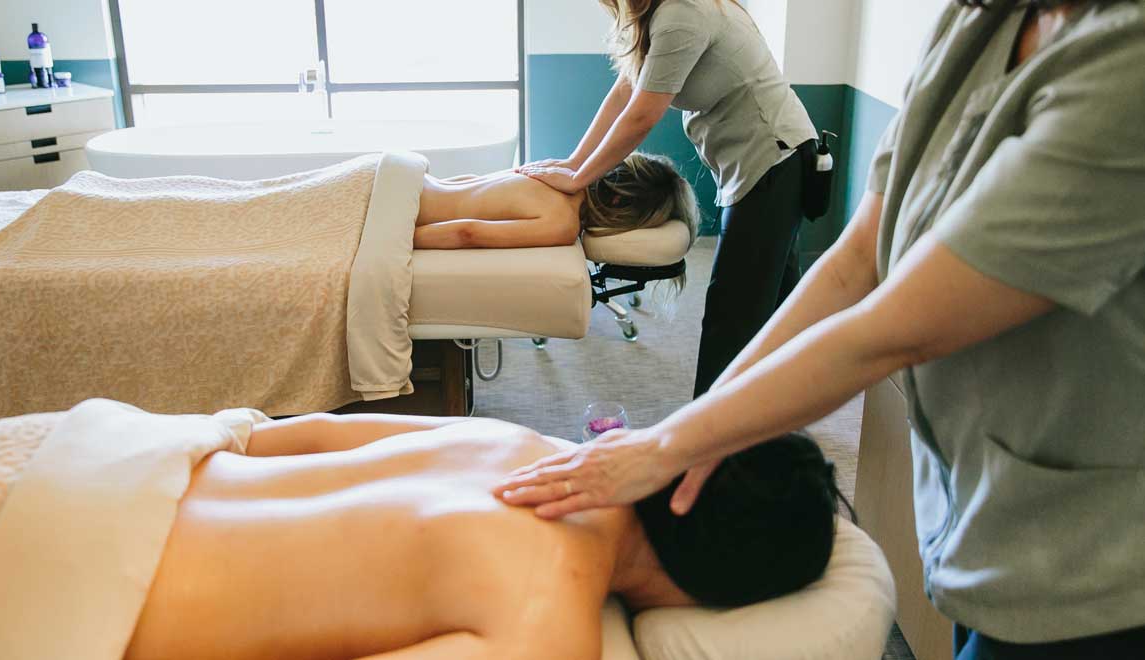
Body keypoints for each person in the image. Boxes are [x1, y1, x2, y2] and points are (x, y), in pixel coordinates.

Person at [495, 1, 1145, 658]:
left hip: (1097, 557)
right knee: (759, 315)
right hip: (978, 512)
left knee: (734, 308)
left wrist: (668, 446)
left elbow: (899, 326)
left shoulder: (1125, 64)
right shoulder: (979, 25)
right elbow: (860, 257)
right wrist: (697, 438)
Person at [124, 414, 840, 660]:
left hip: (104, 463)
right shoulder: (546, 628)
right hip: (80, 607)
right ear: (714, 594)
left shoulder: (518, 440)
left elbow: (306, 434)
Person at [515, 0, 819, 398]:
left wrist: (580, 178)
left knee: (732, 311)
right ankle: (779, 415)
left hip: (774, 160)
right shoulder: (662, 16)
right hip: (764, 161)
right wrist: (575, 164)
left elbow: (642, 115)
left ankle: (707, 448)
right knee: (775, 299)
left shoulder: (683, 13)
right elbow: (625, 93)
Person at [414, 152, 699, 251]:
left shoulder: (557, 172)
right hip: (398, 207)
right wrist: (398, 239)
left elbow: (467, 180)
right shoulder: (563, 224)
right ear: (620, 203)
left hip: (410, 178)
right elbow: (468, 232)